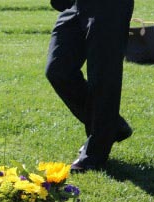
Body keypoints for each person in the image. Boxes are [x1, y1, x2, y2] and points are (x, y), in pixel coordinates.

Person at [46, 0, 135, 172]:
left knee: (103, 77)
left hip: (110, 7)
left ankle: (94, 155)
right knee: (57, 69)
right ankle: (114, 126)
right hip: (77, 5)